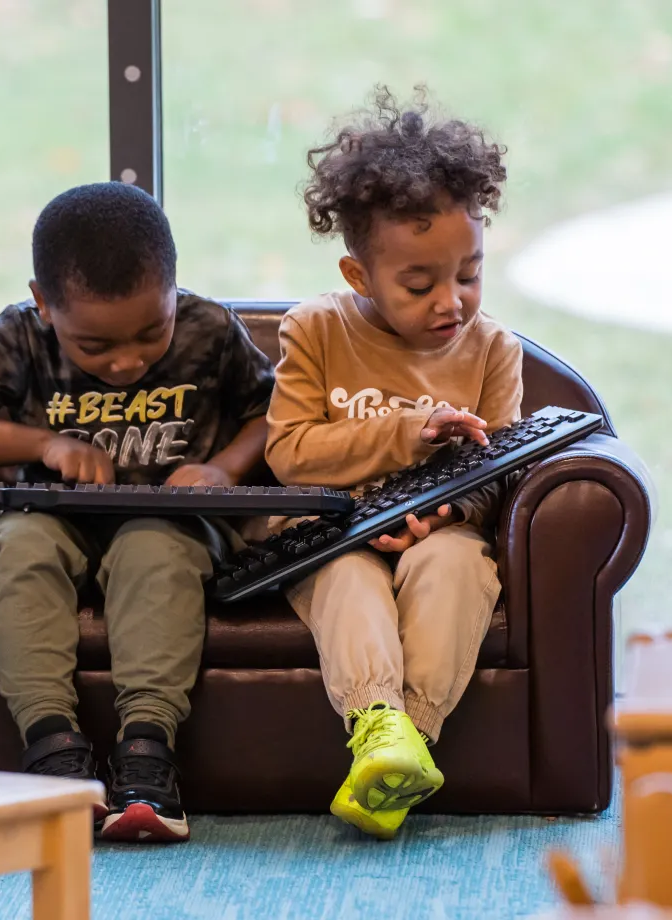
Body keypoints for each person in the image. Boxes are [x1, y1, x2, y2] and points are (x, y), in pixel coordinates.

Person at [0, 182, 275, 843]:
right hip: (50, 517)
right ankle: (53, 751)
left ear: (173, 288)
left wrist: (224, 470)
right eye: (96, 347)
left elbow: (273, 413)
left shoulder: (210, 330)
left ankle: (147, 754)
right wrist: (43, 443)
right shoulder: (19, 337)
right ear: (45, 303)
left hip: (173, 522)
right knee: (12, 551)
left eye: (149, 332)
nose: (127, 362)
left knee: (152, 550)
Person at [264, 86, 521, 839]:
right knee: (346, 578)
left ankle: (408, 742)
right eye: (420, 284)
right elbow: (289, 452)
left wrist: (445, 511)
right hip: (332, 529)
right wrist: (410, 430)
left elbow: (503, 465)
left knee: (457, 568)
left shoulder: (492, 349)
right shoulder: (314, 330)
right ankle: (380, 727)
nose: (453, 302)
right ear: (358, 276)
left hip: (433, 534)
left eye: (469, 274)